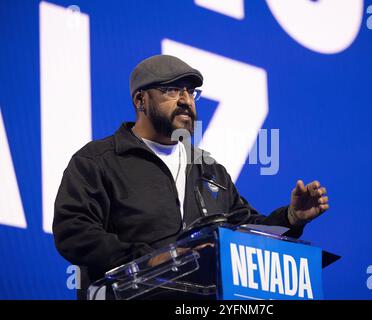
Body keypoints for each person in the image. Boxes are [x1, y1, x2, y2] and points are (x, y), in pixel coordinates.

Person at [52, 55, 329, 299]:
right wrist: (148, 261)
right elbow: (73, 231)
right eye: (172, 90)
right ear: (141, 100)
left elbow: (245, 231)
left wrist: (291, 218)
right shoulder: (99, 160)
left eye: (191, 91)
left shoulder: (208, 168)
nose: (186, 100)